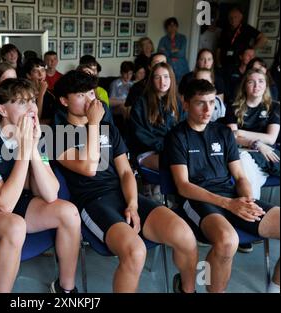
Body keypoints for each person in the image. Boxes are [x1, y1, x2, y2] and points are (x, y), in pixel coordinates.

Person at [53, 70, 198, 293]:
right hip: (93, 202)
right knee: (136, 252)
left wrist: (133, 204)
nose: (90, 100)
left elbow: (126, 174)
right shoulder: (58, 136)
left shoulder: (109, 131)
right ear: (64, 101)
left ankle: (187, 289)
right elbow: (90, 168)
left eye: (91, 93)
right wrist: (93, 124)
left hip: (122, 195)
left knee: (185, 235)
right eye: (81, 95)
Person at [0, 78, 81, 293]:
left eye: (33, 100)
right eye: (22, 102)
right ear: (2, 110)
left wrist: (32, 147)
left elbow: (51, 194)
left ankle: (65, 289)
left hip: (16, 203)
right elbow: (4, 204)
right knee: (15, 225)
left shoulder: (33, 134)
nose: (32, 108)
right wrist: (25, 149)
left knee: (69, 212)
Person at [165, 79, 280, 293]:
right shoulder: (176, 137)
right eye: (201, 103)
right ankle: (203, 286)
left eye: (212, 102)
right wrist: (228, 204)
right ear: (186, 103)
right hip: (197, 200)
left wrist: (247, 200)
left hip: (231, 198)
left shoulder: (223, 133)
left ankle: (274, 288)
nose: (208, 109)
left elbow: (240, 176)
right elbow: (183, 186)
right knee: (228, 242)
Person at [225, 69, 280, 200]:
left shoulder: (274, 107)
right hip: (241, 151)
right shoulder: (234, 107)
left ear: (266, 85)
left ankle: (251, 207)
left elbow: (271, 139)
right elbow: (232, 137)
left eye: (261, 81)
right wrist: (256, 143)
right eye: (251, 82)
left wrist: (241, 132)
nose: (257, 86)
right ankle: (253, 207)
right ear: (245, 85)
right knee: (244, 160)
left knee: (252, 176)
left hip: (265, 151)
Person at [129, 62, 184, 172]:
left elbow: (182, 128)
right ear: (152, 81)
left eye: (166, 77)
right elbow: (140, 133)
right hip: (146, 150)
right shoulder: (141, 103)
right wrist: (166, 147)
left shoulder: (177, 102)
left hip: (173, 150)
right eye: (157, 77)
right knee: (174, 163)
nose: (162, 81)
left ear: (171, 79)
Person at [217, 6, 267, 71]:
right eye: (230, 18)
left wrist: (252, 49)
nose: (233, 20)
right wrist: (218, 63)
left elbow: (264, 39)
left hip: (240, 64)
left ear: (241, 17)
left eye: (235, 17)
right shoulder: (225, 30)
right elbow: (219, 49)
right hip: (225, 64)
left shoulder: (246, 28)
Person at [24, 57, 56, 125]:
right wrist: (41, 93)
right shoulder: (25, 94)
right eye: (36, 71)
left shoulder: (51, 94)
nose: (41, 74)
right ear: (28, 75)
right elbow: (36, 118)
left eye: (43, 70)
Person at [157, 17, 189, 83]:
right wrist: (174, 50)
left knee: (182, 88)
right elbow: (161, 54)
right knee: (169, 87)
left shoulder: (182, 38)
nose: (172, 27)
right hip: (169, 67)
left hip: (182, 67)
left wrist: (167, 51)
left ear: (177, 27)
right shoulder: (163, 39)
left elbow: (181, 53)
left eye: (174, 25)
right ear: (167, 28)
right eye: (170, 25)